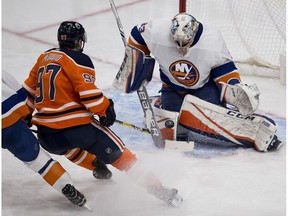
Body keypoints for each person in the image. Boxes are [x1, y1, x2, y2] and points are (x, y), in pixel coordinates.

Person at [23, 21, 182, 207]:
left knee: (69, 147)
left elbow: (27, 91)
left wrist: (24, 114)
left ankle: (97, 166)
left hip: (47, 136)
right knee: (120, 153)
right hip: (78, 130)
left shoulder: (43, 58)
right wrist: (106, 109)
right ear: (79, 41)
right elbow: (88, 95)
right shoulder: (78, 59)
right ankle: (159, 189)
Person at [114, 12, 282, 152]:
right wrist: (135, 61)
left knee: (204, 117)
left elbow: (224, 67)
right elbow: (137, 34)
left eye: (185, 43)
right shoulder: (157, 30)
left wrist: (233, 89)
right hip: (171, 87)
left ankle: (253, 133)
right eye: (177, 42)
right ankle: (162, 104)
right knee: (174, 124)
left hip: (204, 87)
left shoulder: (212, 40)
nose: (181, 47)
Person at [2, 71, 88, 208]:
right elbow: (19, 90)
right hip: (9, 118)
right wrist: (26, 115)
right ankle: (65, 185)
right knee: (38, 160)